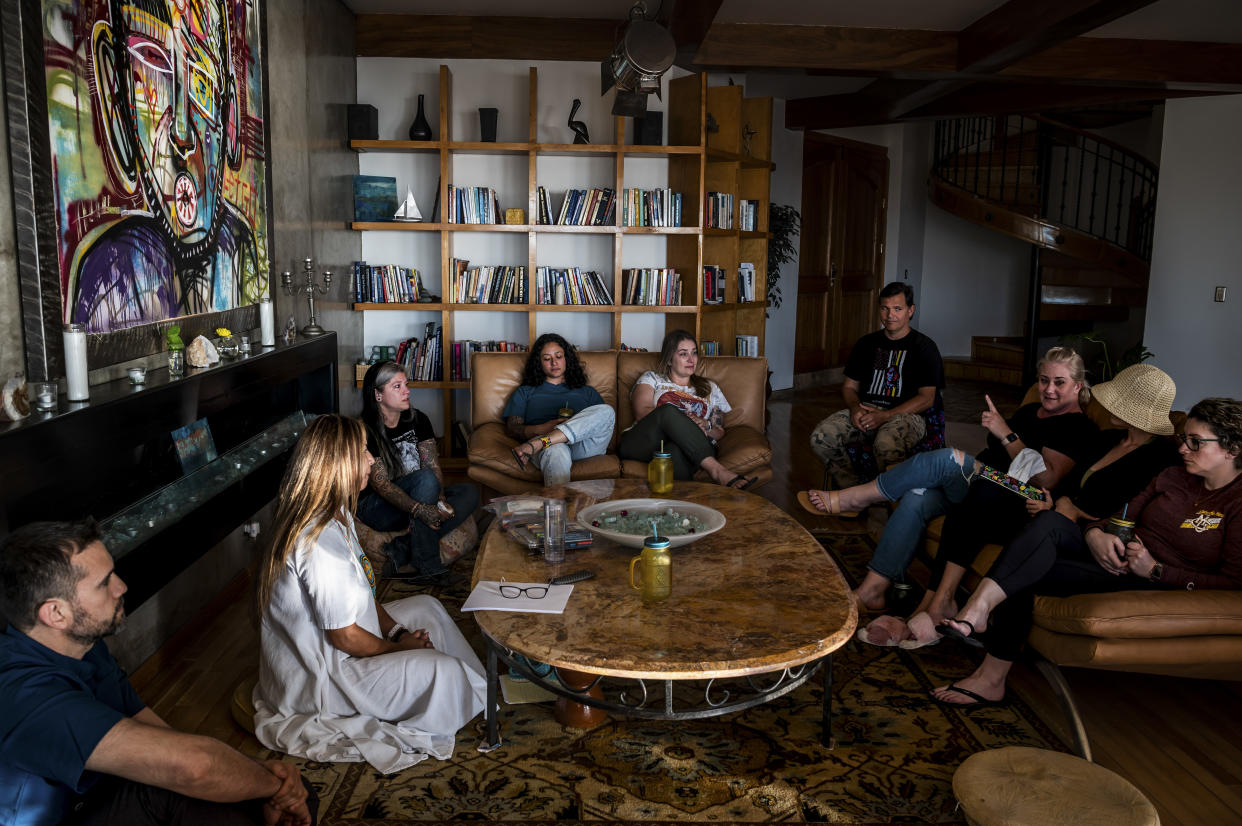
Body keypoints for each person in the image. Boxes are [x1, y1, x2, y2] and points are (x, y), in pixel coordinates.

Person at [932, 396, 1242, 708]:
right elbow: (1123, 515)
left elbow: (1232, 580)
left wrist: (1156, 570)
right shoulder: (1173, 476)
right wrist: (1096, 533)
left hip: (1142, 576)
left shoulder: (1236, 503)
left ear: (1232, 449)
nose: (1182, 448)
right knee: (1048, 525)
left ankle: (989, 675)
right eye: (1184, 439)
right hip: (1113, 551)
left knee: (1026, 569)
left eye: (1195, 442)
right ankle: (978, 612)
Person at [0, 520, 315, 826]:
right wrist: (277, 789)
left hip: (99, 796)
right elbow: (195, 766)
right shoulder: (23, 695)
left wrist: (263, 774)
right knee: (179, 787)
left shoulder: (82, 643)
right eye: (104, 582)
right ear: (56, 613)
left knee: (278, 792)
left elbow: (145, 723)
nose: (121, 587)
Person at [800, 347, 1098, 641]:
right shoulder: (1032, 411)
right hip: (986, 481)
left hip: (1018, 494)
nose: (1049, 389)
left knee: (948, 458)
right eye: (1044, 380)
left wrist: (1005, 432)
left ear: (1077, 385)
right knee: (917, 495)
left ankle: (857, 497)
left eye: (1059, 382)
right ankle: (872, 591)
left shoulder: (1077, 425)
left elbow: (1046, 476)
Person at [253, 415, 488, 773]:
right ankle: (460, 686)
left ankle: (480, 692)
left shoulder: (338, 513)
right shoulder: (318, 543)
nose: (371, 460)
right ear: (336, 464)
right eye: (362, 452)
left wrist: (397, 631)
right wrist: (398, 649)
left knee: (427, 606)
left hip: (346, 647)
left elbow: (364, 590)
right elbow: (343, 636)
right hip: (330, 678)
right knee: (444, 674)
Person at [72, 0, 261, 331]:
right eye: (154, 59)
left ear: (228, 116)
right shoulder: (114, 267)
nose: (182, 134)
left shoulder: (239, 244)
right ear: (114, 91)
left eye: (201, 80)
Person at [807, 282, 945, 496]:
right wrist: (854, 408)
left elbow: (927, 398)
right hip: (866, 409)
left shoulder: (924, 347)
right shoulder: (866, 344)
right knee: (821, 437)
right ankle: (852, 493)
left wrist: (886, 415)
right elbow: (849, 387)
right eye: (884, 308)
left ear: (911, 310)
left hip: (906, 415)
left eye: (897, 309)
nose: (890, 315)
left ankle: (891, 499)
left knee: (886, 443)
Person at [357, 361, 478, 580]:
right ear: (378, 395)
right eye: (397, 386)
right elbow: (382, 485)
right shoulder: (364, 429)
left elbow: (433, 465)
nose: (407, 391)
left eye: (406, 384)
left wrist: (439, 501)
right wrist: (420, 510)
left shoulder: (418, 418)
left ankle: (402, 548)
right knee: (425, 479)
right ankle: (429, 566)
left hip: (419, 497)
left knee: (469, 492)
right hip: (378, 507)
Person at [618, 329, 755, 488]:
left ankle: (682, 507)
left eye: (694, 353)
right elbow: (642, 413)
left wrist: (706, 425)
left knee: (674, 451)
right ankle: (718, 471)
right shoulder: (652, 378)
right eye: (683, 354)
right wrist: (685, 421)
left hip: (690, 449)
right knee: (668, 411)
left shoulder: (711, 388)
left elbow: (719, 431)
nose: (691, 359)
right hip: (644, 442)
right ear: (669, 359)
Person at [505, 333, 616, 485]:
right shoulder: (526, 391)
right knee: (555, 449)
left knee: (607, 411)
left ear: (566, 359)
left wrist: (568, 429)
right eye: (547, 358)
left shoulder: (587, 391)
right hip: (547, 444)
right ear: (539, 363)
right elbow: (512, 428)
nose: (554, 362)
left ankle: (542, 442)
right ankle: (562, 507)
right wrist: (542, 428)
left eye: (558, 356)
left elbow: (602, 423)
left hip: (582, 445)